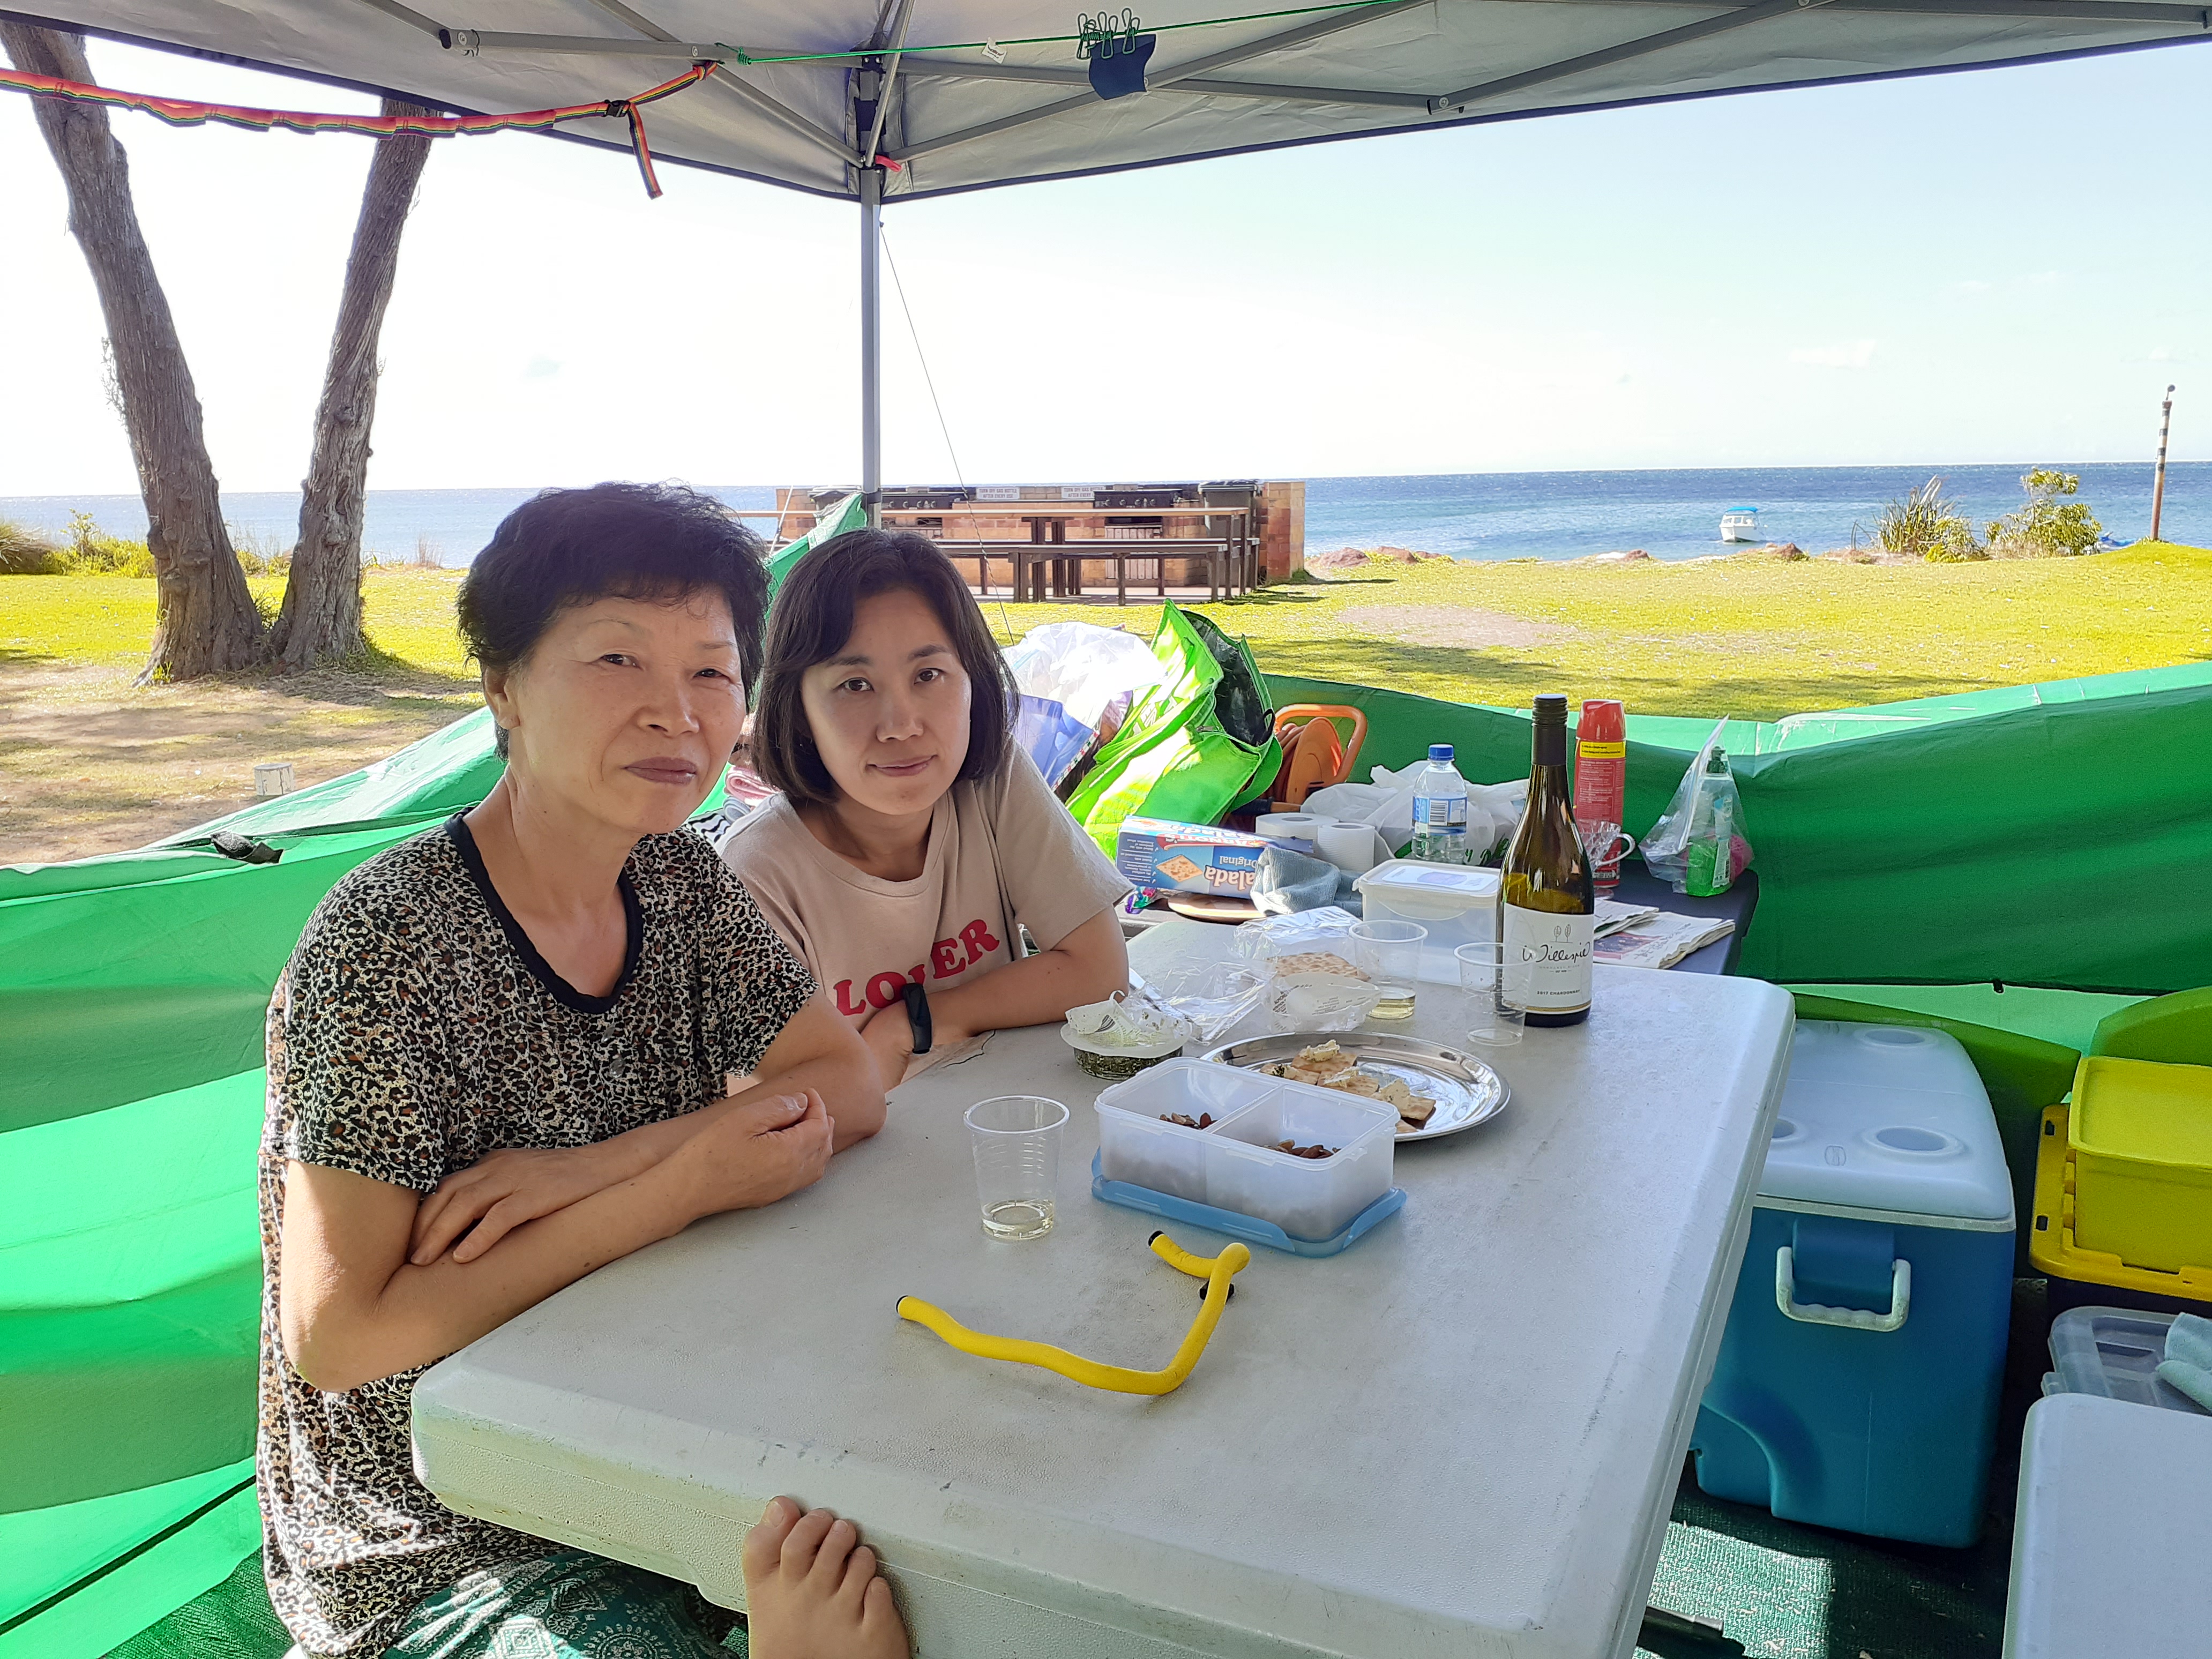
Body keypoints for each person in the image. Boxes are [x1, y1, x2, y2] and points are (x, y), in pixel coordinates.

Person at [257, 483, 908, 1659]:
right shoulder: (386, 945)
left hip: (664, 1414)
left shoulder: (679, 881)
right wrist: (677, 1188)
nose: (676, 712)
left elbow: (847, 1080)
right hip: (443, 1528)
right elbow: (340, 1334)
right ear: (502, 688)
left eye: (711, 671)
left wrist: (597, 1168)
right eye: (617, 659)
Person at [724, 528, 1133, 1090]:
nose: (901, 726)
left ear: (973, 682)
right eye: (855, 685)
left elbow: (1100, 970)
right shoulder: (754, 876)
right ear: (798, 710)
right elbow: (790, 1101)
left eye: (928, 675)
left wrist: (911, 1023)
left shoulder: (990, 782)